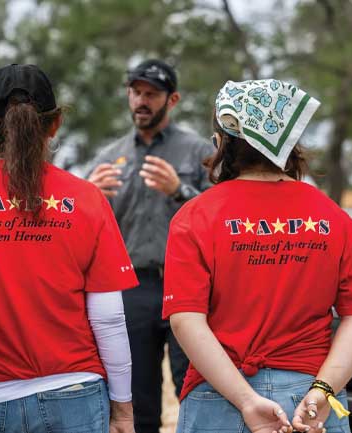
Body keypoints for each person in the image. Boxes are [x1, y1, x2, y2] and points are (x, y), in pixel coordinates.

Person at [0, 64, 138, 433]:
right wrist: (124, 411)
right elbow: (109, 318)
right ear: (55, 124)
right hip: (76, 395)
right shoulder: (87, 199)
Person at [163, 79, 352, 433]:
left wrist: (247, 400)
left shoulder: (196, 215)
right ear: (291, 142)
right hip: (309, 401)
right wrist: (323, 391)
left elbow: (185, 320)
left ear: (222, 142)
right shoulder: (333, 216)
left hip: (219, 396)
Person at [86, 59, 214, 433]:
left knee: (195, 386)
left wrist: (180, 190)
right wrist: (88, 196)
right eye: (136, 92)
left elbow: (221, 216)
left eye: (152, 94)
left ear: (172, 99)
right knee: (135, 396)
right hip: (130, 290)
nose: (141, 101)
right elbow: (81, 228)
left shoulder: (197, 152)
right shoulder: (108, 158)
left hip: (186, 285)